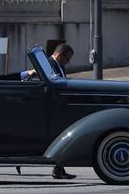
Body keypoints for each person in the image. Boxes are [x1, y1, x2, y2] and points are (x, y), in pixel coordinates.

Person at [49, 43, 76, 179]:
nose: (68, 61)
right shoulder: (50, 65)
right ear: (59, 55)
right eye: (67, 58)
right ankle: (58, 169)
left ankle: (59, 169)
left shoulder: (59, 65)